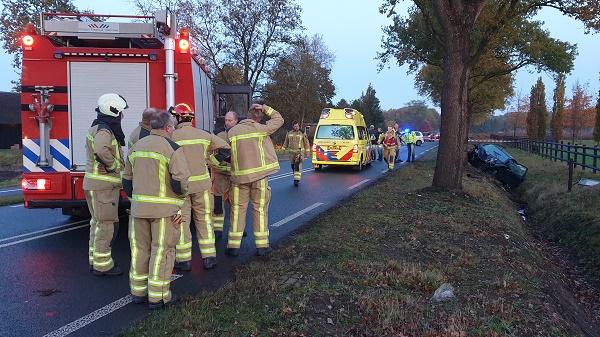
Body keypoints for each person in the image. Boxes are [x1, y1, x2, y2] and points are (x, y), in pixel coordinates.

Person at [122, 110, 191, 309]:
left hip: (138, 210)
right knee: (162, 251)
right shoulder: (172, 148)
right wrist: (180, 198)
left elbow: (126, 180)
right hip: (165, 212)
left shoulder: (136, 147)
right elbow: (181, 181)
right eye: (173, 127)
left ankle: (138, 292)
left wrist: (136, 200)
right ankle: (159, 296)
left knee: (139, 250)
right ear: (168, 128)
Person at [171, 103, 230, 271]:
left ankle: (184, 260)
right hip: (203, 186)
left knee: (181, 222)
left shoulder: (171, 136)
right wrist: (210, 162)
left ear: (178, 117)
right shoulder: (204, 134)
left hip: (180, 189)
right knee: (204, 220)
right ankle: (209, 257)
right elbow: (226, 150)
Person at [226, 102, 284, 257]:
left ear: (247, 115)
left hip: (239, 179)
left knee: (237, 210)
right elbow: (279, 119)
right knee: (260, 210)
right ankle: (262, 246)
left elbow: (224, 153)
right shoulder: (261, 129)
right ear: (258, 118)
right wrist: (265, 107)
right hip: (260, 177)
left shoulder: (232, 132)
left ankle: (233, 246)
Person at [83, 93, 128, 276]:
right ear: (114, 110)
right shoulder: (104, 131)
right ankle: (103, 266)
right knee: (107, 225)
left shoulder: (98, 127)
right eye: (121, 112)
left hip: (95, 185)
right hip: (103, 187)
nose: (123, 115)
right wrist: (114, 165)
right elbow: (102, 151)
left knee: (98, 223)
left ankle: (95, 260)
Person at [211, 111, 238, 238]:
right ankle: (217, 230)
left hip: (235, 176)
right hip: (220, 175)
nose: (227, 122)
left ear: (236, 121)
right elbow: (211, 153)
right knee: (217, 203)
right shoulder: (217, 134)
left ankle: (238, 228)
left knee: (236, 204)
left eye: (230, 120)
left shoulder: (240, 134)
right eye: (226, 120)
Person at [282, 121, 310, 186]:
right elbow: (286, 142)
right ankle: (296, 176)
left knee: (297, 166)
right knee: (293, 166)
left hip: (299, 153)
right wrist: (283, 150)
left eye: (297, 126)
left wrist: (307, 152)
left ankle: (296, 180)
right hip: (291, 154)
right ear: (293, 126)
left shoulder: (302, 133)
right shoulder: (289, 133)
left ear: (299, 126)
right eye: (295, 126)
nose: (296, 127)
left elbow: (306, 143)